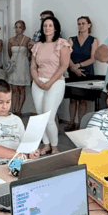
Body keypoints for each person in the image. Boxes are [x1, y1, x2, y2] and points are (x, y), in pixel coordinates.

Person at [30, 16, 72, 155]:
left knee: (49, 118)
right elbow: (33, 66)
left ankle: (55, 147)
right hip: (38, 83)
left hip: (55, 82)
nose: (47, 28)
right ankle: (46, 145)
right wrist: (37, 81)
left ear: (55, 28)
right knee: (40, 117)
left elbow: (64, 65)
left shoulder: (62, 43)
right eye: (45, 25)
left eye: (50, 25)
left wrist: (49, 82)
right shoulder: (38, 45)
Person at [66, 16, 100, 131]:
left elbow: (93, 59)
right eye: (79, 24)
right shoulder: (71, 40)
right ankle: (71, 122)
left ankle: (80, 124)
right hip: (72, 71)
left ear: (89, 25)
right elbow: (66, 56)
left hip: (86, 73)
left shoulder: (93, 40)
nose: (81, 26)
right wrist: (74, 68)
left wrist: (79, 65)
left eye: (83, 23)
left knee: (82, 100)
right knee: (72, 99)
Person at [6, 20, 33, 116]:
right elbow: (10, 54)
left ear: (24, 29)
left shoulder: (27, 39)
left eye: (20, 27)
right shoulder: (11, 40)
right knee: (13, 88)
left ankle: (19, 110)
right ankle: (13, 109)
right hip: (14, 66)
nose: (17, 29)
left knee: (21, 88)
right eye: (16, 27)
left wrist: (24, 60)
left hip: (23, 65)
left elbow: (30, 54)